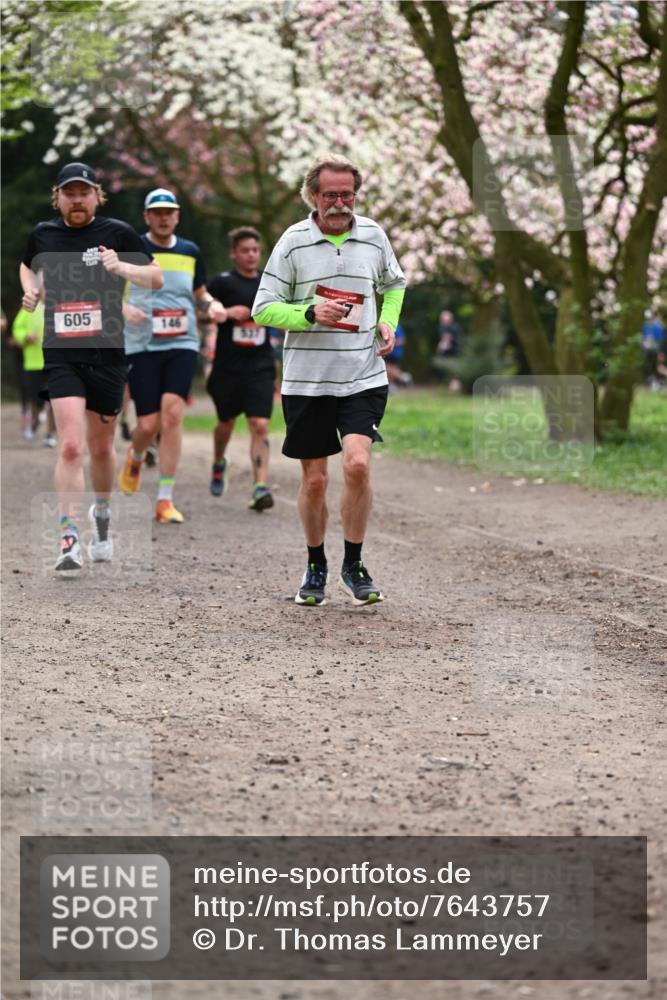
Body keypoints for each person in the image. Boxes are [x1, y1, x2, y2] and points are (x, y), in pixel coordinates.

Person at [252, 154, 406, 606]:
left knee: (357, 464)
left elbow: (394, 284)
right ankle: (315, 564)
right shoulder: (293, 242)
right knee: (315, 480)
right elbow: (263, 308)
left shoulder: (374, 235)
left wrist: (388, 322)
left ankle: (353, 564)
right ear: (313, 196)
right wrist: (307, 313)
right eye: (330, 195)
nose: (340, 203)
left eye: (347, 194)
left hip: (361, 374)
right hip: (307, 381)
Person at [20, 162, 163, 571]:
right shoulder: (43, 234)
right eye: (70, 193)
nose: (77, 199)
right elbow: (27, 264)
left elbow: (154, 276)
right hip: (61, 352)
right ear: (58, 197)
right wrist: (30, 291)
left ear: (97, 196)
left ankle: (101, 512)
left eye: (84, 192)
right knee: (69, 445)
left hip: (107, 354)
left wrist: (122, 268)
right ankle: (68, 535)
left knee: (101, 447)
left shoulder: (116, 233)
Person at [117, 188, 224, 522]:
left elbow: (200, 293)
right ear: (147, 216)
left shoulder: (191, 251)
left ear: (176, 216)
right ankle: (136, 454)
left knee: (173, 414)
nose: (164, 217)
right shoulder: (132, 247)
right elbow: (106, 292)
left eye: (169, 212)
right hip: (141, 343)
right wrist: (123, 310)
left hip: (182, 342)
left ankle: (164, 499)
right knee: (147, 424)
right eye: (157, 212)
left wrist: (212, 305)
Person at [206, 226, 276, 510]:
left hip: (260, 366)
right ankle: (219, 460)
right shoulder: (222, 283)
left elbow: (283, 314)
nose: (251, 255)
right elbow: (201, 310)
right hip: (227, 368)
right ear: (234, 254)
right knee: (226, 423)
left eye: (255, 250)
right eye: (245, 250)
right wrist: (223, 312)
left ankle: (260, 486)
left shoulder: (269, 283)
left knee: (259, 425)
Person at [11, 296, 57, 446]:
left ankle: (50, 434)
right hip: (33, 362)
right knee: (35, 400)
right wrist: (26, 336)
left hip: (56, 361)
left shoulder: (60, 304)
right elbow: (17, 328)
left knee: (54, 400)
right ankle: (36, 419)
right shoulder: (29, 306)